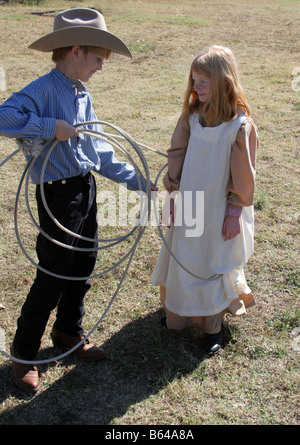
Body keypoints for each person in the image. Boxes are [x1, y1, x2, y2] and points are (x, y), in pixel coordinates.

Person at [0, 8, 155, 392]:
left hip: (83, 186)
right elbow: (3, 117)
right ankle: (24, 352)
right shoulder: (42, 89)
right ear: (75, 51)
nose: (101, 67)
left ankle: (68, 331)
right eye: (98, 58)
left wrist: (138, 181)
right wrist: (52, 127)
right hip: (56, 192)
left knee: (84, 263)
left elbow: (98, 151)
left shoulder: (81, 94)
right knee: (54, 272)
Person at [151, 45, 258, 354]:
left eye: (203, 81)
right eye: (193, 80)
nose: (195, 88)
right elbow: (178, 154)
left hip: (220, 209)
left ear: (224, 81)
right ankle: (180, 316)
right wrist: (172, 195)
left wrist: (234, 212)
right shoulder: (193, 117)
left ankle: (212, 327)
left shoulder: (240, 126)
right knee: (185, 256)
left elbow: (243, 175)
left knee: (213, 260)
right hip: (189, 203)